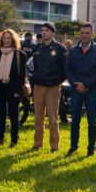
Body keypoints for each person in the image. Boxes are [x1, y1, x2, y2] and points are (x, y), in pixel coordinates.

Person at [64, 22, 96, 157]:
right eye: (82, 32)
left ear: (92, 34)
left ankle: (91, 148)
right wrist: (76, 84)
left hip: (92, 90)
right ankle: (73, 147)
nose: (85, 35)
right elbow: (67, 70)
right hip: (76, 90)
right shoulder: (72, 51)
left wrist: (86, 84)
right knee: (75, 119)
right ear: (79, 34)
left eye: (87, 33)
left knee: (92, 121)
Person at [31, 22, 67, 152]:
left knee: (53, 118)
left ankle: (54, 145)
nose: (44, 32)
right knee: (38, 117)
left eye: (47, 30)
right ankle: (37, 143)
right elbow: (33, 67)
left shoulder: (60, 48)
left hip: (52, 87)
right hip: (38, 87)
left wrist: (57, 81)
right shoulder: (37, 48)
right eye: (43, 30)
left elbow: (66, 69)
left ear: (53, 33)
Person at [0, 29, 27, 147]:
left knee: (13, 115)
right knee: (0, 114)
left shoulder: (20, 55)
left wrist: (18, 91)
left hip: (13, 88)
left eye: (9, 38)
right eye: (4, 38)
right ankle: (0, 139)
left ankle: (14, 140)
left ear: (13, 40)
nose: (6, 40)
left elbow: (21, 75)